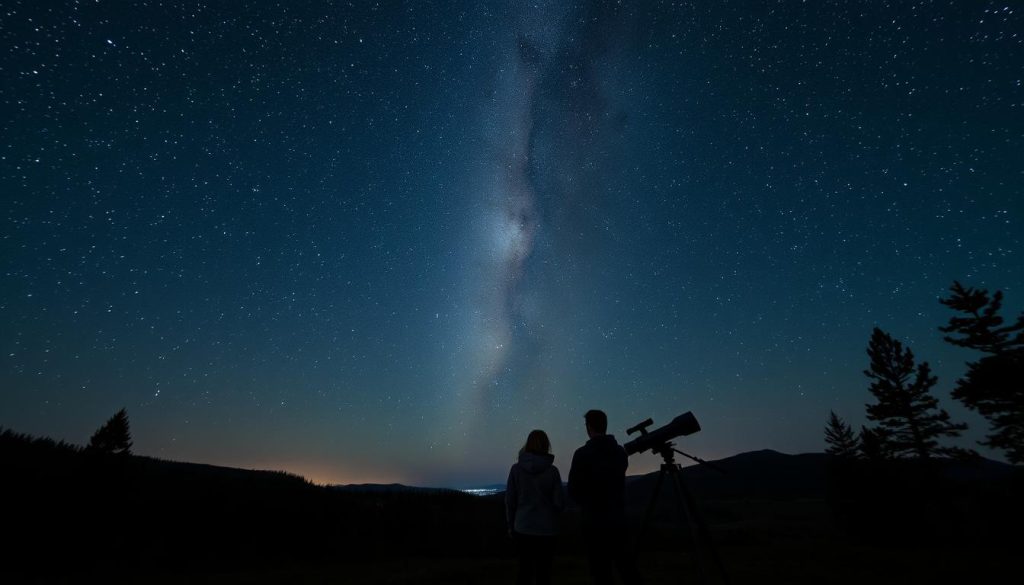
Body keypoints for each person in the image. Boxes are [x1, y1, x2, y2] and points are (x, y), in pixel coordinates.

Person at [567, 410, 644, 585]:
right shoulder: (620, 453)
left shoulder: (582, 454)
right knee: (627, 568)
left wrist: (586, 503)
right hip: (618, 518)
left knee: (601, 572)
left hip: (593, 521)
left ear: (589, 427)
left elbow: (573, 490)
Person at [506, 429, 565, 585]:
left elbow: (510, 501)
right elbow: (559, 502)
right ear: (547, 445)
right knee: (544, 574)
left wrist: (511, 525)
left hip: (523, 527)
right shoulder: (553, 471)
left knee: (524, 572)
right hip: (547, 529)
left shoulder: (516, 469)